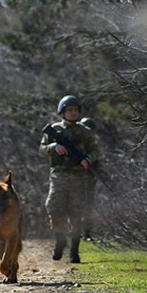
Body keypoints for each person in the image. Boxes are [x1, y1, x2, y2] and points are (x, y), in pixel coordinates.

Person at [38, 95, 99, 264]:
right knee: (54, 208)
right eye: (69, 110)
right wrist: (54, 147)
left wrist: (88, 159)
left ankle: (74, 251)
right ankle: (60, 239)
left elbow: (95, 150)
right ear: (62, 112)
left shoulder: (84, 131)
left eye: (75, 110)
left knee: (76, 214)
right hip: (58, 176)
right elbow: (41, 150)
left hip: (78, 177)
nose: (73, 113)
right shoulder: (55, 129)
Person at [79, 117, 98, 241]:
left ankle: (86, 232)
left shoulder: (92, 146)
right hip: (75, 178)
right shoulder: (77, 144)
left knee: (88, 206)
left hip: (88, 179)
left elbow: (97, 159)